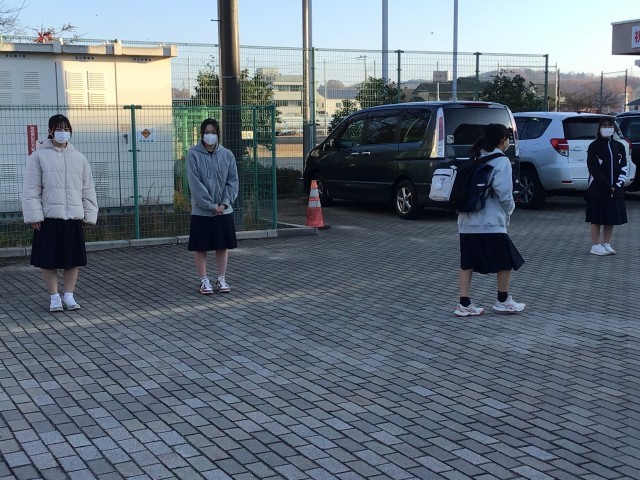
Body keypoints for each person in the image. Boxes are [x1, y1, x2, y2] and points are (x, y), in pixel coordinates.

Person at [22, 114, 99, 312]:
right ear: (50, 131)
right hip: (49, 217)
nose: (63, 132)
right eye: (58, 129)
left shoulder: (79, 158)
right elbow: (31, 189)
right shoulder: (38, 157)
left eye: (66, 129)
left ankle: (69, 296)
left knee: (72, 260)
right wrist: (34, 216)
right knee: (49, 261)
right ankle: (54, 297)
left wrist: (89, 214)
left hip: (73, 217)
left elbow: (87, 189)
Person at [455, 123, 525, 317]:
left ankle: (464, 303)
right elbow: (504, 193)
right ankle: (503, 300)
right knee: (506, 260)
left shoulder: (475, 157)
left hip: (466, 221)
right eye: (507, 138)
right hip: (490, 222)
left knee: (467, 263)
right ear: (502, 140)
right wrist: (509, 211)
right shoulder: (501, 161)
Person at [186, 118, 239, 294]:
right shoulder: (193, 154)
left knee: (222, 246)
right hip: (201, 211)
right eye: (207, 132)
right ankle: (204, 281)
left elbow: (232, 181)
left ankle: (221, 279)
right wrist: (210, 205)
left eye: (214, 132)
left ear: (218, 134)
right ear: (202, 134)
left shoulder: (227, 155)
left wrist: (224, 203)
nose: (210, 136)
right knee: (201, 247)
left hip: (224, 210)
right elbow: (195, 184)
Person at [585, 117, 628, 255]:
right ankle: (595, 245)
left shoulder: (619, 146)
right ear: (599, 128)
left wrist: (617, 185)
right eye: (604, 126)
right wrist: (607, 186)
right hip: (598, 189)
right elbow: (594, 169)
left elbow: (624, 167)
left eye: (610, 126)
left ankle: (607, 243)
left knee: (610, 217)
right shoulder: (594, 146)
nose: (607, 128)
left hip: (615, 189)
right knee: (596, 218)